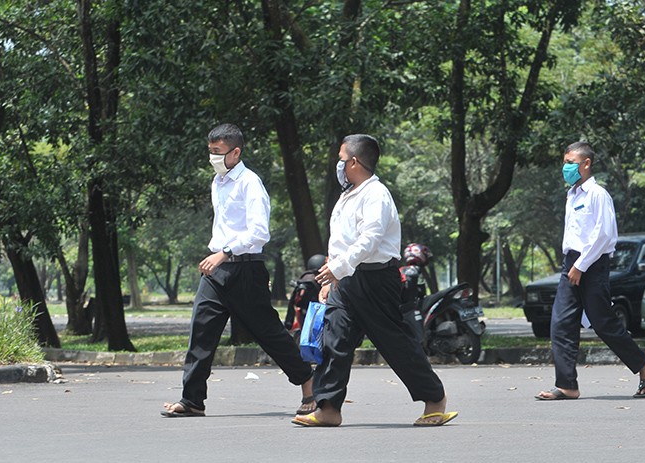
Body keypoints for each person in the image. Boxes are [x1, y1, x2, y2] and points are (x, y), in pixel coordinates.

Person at [291, 134, 456, 427]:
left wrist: (340, 266)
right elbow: (339, 242)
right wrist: (332, 276)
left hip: (376, 279)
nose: (338, 165)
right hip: (347, 279)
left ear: (353, 162)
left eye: (341, 159)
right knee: (334, 339)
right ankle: (328, 407)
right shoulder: (347, 196)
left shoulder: (376, 194)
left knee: (394, 343)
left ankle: (435, 399)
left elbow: (370, 239)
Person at [162, 123, 315, 417]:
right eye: (210, 152)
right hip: (217, 271)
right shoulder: (217, 182)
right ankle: (193, 400)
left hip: (245, 269)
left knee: (268, 333)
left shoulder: (250, 183)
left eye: (218, 152)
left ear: (235, 152)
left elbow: (259, 233)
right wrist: (217, 256)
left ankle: (308, 382)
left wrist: (225, 252)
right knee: (201, 332)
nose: (213, 158)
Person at [536, 141, 645, 400]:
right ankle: (567, 385)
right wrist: (571, 264)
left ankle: (643, 364)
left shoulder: (597, 194)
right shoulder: (572, 195)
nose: (566, 167)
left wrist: (580, 266)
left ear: (586, 164)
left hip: (591, 264)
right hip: (571, 263)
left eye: (571, 162)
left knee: (604, 323)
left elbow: (603, 235)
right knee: (560, 324)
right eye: (565, 162)